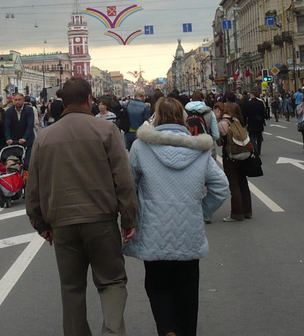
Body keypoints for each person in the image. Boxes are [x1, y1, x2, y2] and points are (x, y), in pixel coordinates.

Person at [26, 78, 137, 336]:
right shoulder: (107, 131)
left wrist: (41, 224)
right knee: (112, 282)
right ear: (89, 100)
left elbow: (33, 189)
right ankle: (112, 331)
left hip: (63, 225)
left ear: (62, 102)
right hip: (101, 222)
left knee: (72, 288)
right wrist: (129, 219)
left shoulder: (44, 137)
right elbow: (124, 180)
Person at [124, 96, 228, 336]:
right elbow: (221, 187)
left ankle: (167, 329)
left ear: (156, 117)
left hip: (153, 229)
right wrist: (200, 210)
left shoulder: (141, 147)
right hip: (188, 230)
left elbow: (129, 186)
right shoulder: (199, 148)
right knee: (188, 286)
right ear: (183, 118)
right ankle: (185, 330)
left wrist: (134, 214)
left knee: (157, 284)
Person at [218, 102, 252, 222]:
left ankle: (237, 213)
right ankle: (248, 211)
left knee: (234, 185)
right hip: (244, 156)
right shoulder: (237, 122)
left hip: (231, 157)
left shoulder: (222, 124)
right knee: (243, 182)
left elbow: (219, 142)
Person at [5, 93, 36, 168]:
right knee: (15, 164)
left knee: (27, 163)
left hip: (28, 140)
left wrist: (24, 138)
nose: (17, 102)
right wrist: (8, 138)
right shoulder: (9, 111)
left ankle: (28, 177)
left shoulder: (29, 110)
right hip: (15, 140)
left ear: (23, 100)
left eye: (19, 100)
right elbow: (7, 126)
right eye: (15, 100)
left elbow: (30, 125)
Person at [243, 90, 266, 155]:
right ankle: (259, 149)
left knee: (252, 136)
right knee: (259, 136)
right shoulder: (260, 103)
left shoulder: (248, 103)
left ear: (252, 95)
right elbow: (263, 112)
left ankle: (255, 149)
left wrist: (245, 123)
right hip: (259, 122)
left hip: (251, 122)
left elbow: (245, 113)